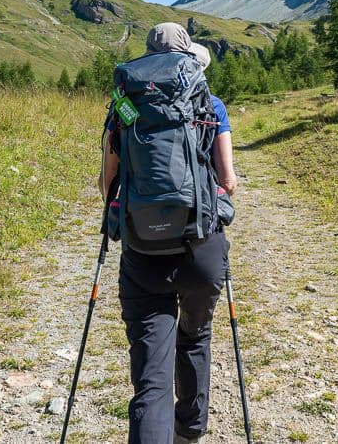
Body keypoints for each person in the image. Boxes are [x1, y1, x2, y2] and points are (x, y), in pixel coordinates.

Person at [99, 22, 237, 444]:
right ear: (187, 55)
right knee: (194, 338)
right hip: (200, 248)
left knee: (151, 379)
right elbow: (228, 180)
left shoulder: (124, 105)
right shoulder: (208, 101)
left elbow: (107, 185)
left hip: (143, 250)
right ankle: (189, 433)